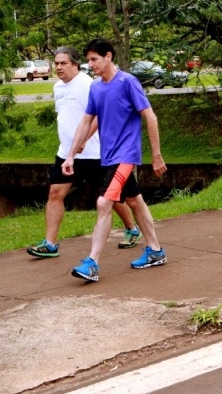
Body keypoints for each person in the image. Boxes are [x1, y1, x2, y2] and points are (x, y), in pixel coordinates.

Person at [63, 38, 168, 282]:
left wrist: (156, 155)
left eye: (94, 59)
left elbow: (150, 116)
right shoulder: (96, 88)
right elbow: (88, 121)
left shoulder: (127, 82)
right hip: (109, 156)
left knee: (103, 203)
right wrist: (71, 154)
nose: (90, 64)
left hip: (126, 155)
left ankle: (92, 263)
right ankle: (155, 250)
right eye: (88, 60)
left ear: (108, 56)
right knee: (134, 201)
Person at [27, 47, 141, 259]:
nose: (59, 67)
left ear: (75, 64)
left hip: (94, 154)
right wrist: (70, 150)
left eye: (63, 63)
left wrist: (84, 140)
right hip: (66, 154)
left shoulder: (88, 84)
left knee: (111, 197)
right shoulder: (58, 87)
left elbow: (97, 116)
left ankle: (132, 228)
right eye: (56, 63)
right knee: (55, 193)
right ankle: (50, 244)